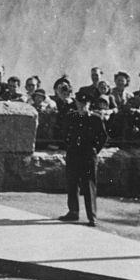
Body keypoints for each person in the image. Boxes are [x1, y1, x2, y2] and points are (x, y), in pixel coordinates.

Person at [59, 88, 108, 226]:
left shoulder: (95, 119)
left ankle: (92, 216)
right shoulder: (71, 117)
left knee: (89, 185)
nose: (81, 106)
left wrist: (94, 150)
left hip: (88, 155)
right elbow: (64, 133)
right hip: (74, 153)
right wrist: (69, 146)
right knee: (72, 183)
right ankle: (73, 212)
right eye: (79, 103)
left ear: (89, 104)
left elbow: (103, 137)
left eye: (84, 104)